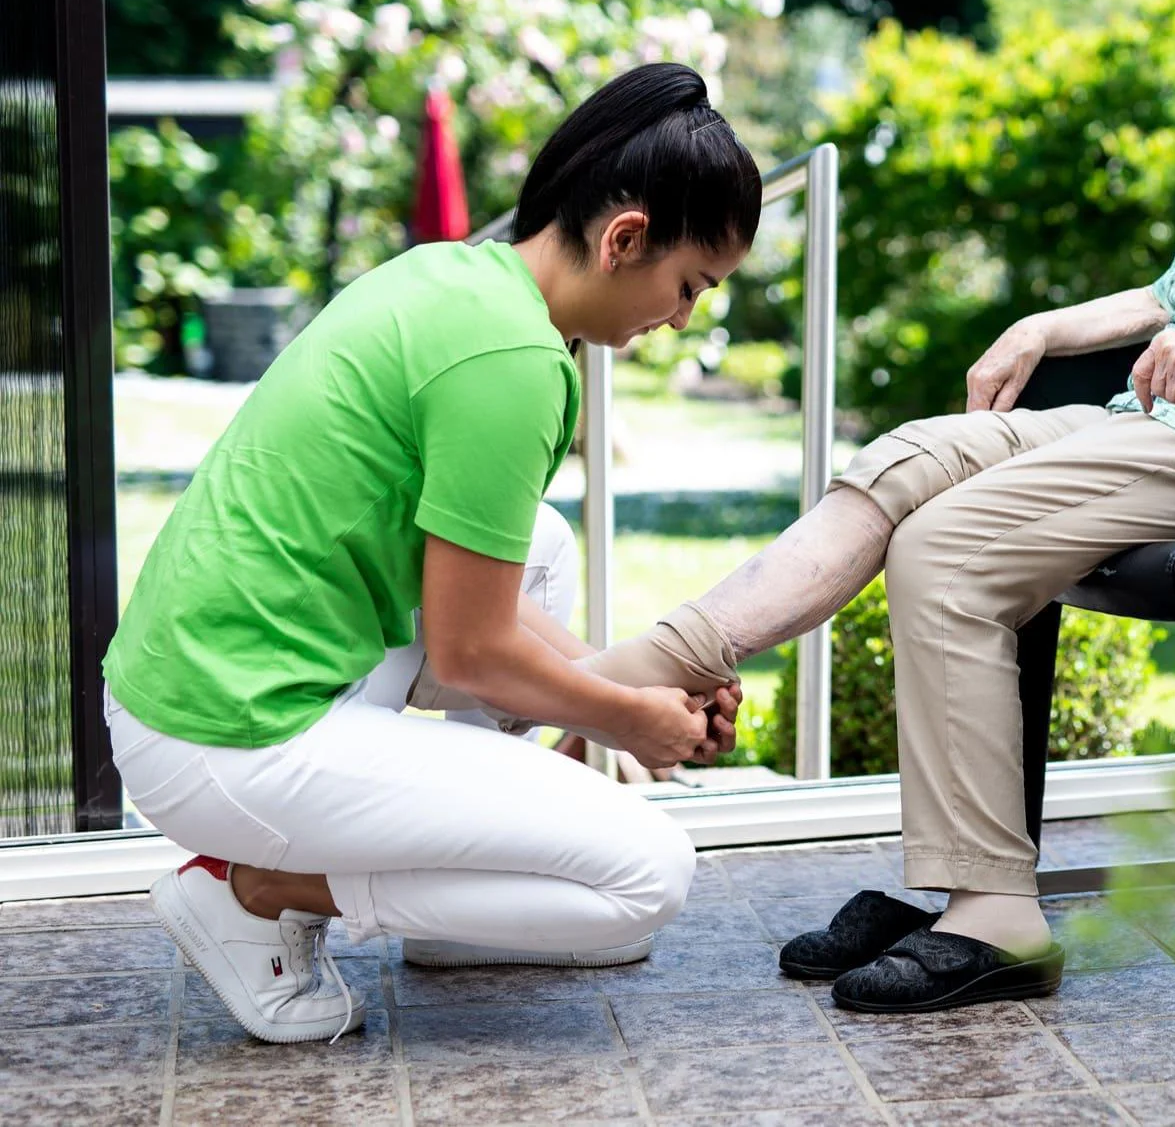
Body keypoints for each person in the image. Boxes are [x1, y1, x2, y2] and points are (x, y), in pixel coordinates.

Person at [427, 0, 1175, 1013]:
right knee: (897, 467)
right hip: (1155, 429)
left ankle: (996, 915)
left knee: (952, 548)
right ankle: (633, 679)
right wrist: (1050, 328)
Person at [104, 63, 757, 1043]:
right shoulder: (515, 366)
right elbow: (469, 656)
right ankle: (260, 891)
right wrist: (630, 721)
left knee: (534, 544)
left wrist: (645, 682)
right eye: (688, 286)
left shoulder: (456, 278)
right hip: (235, 737)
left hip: (196, 690)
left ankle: (457, 906)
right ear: (626, 239)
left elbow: (457, 585)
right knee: (645, 877)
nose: (681, 317)